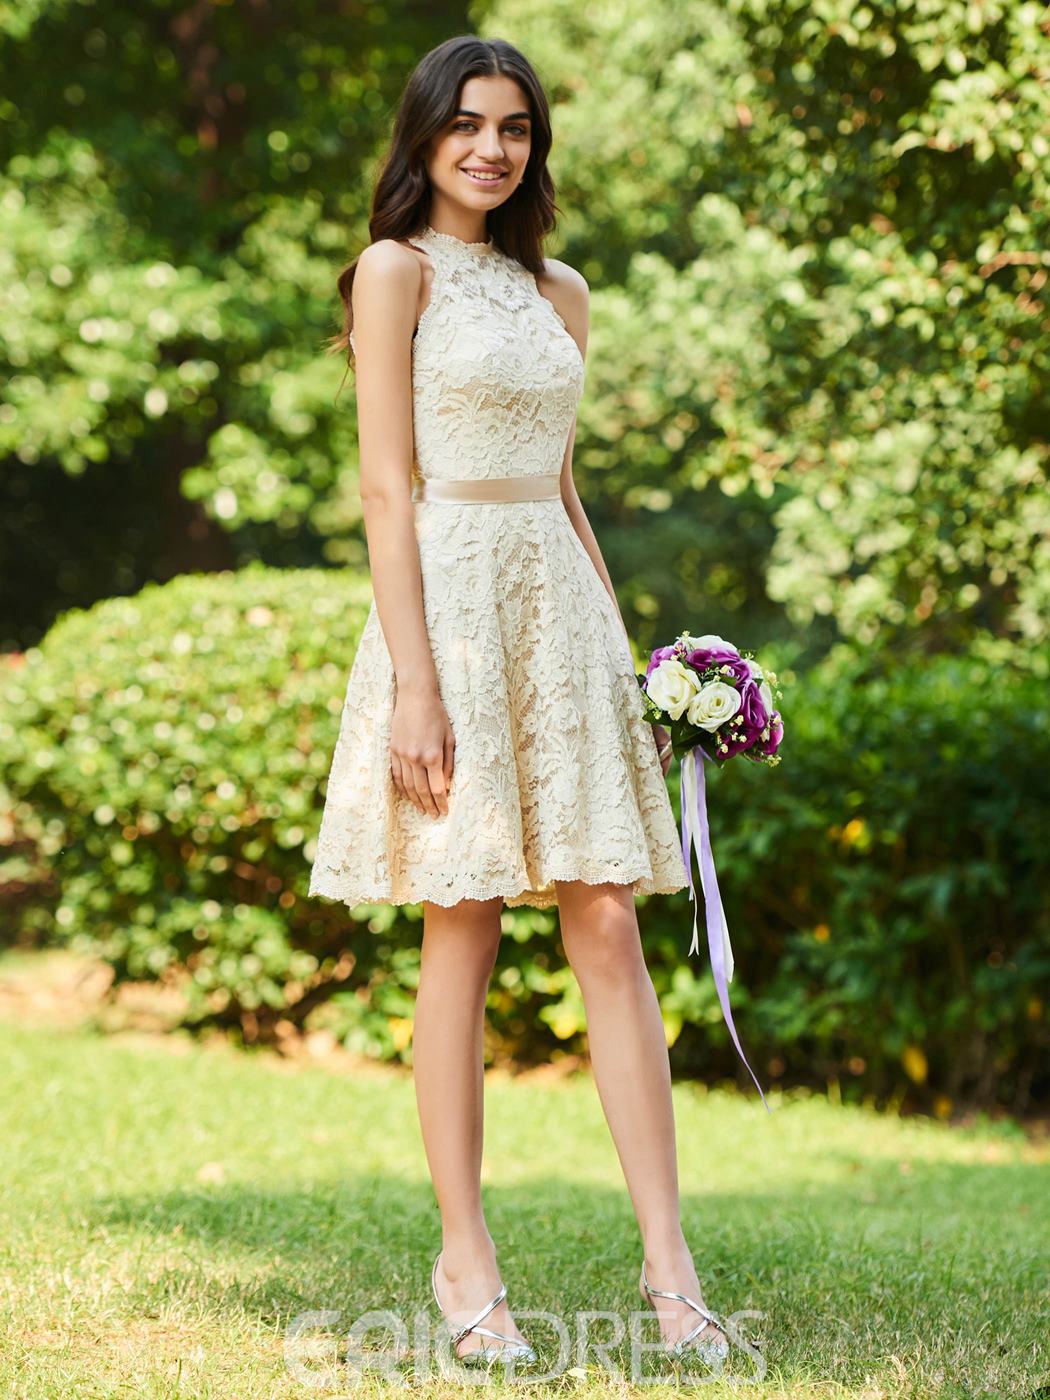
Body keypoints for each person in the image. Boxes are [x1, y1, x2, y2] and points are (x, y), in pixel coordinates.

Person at [308, 33, 731, 1373]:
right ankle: (464, 1259)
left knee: (604, 917)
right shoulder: (394, 272)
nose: (491, 147)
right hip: (446, 607)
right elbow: (385, 486)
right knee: (464, 919)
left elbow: (561, 487)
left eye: (514, 128)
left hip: (558, 612)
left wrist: (630, 663)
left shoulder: (562, 291)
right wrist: (415, 686)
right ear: (423, 135)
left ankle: (671, 1274)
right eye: (466, 124)